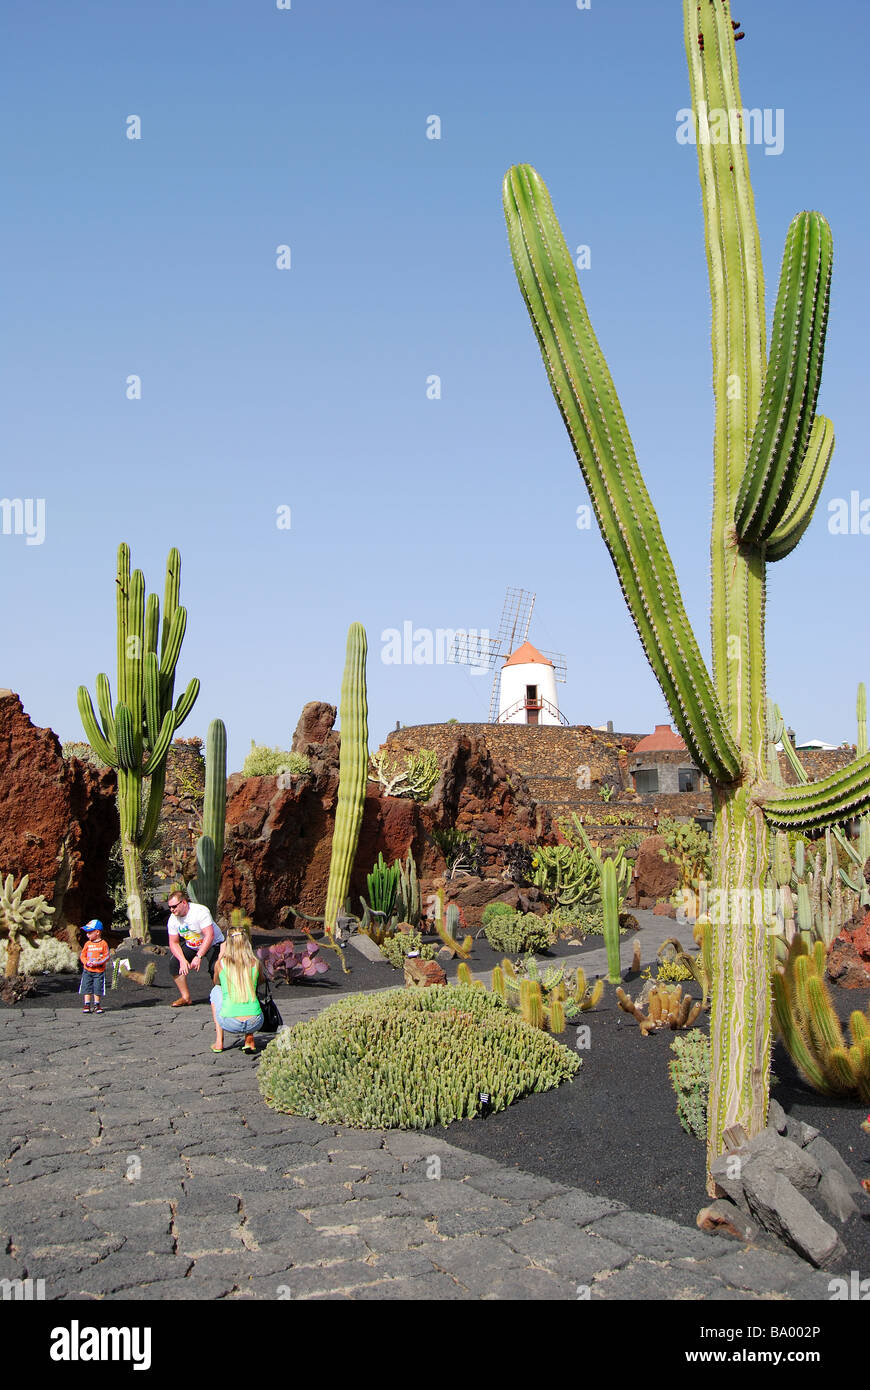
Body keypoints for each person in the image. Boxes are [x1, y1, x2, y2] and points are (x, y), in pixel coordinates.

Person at [166, 889, 225, 1007]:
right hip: (193, 944)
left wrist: (198, 957)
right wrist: (183, 960)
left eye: (174, 906)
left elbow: (209, 935)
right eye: (170, 907)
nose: (172, 910)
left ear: (183, 903)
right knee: (174, 964)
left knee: (215, 967)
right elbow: (174, 942)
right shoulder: (173, 919)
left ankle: (223, 997)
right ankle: (185, 997)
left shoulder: (200, 911)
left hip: (213, 943)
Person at [209, 928, 263, 1054]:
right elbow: (261, 980)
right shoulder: (255, 963)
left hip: (230, 1022)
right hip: (255, 1021)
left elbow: (216, 982)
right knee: (250, 989)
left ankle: (219, 1041)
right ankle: (249, 1039)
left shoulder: (221, 964)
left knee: (215, 991)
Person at [79, 920, 110, 1014]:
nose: (87, 935)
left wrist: (98, 963)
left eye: (89, 932)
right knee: (86, 987)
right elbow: (82, 955)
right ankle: (87, 1004)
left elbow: (107, 956)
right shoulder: (87, 944)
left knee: (98, 988)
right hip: (87, 970)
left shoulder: (103, 944)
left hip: (99, 971)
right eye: (87, 933)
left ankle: (97, 1005)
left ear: (97, 932)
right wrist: (86, 962)